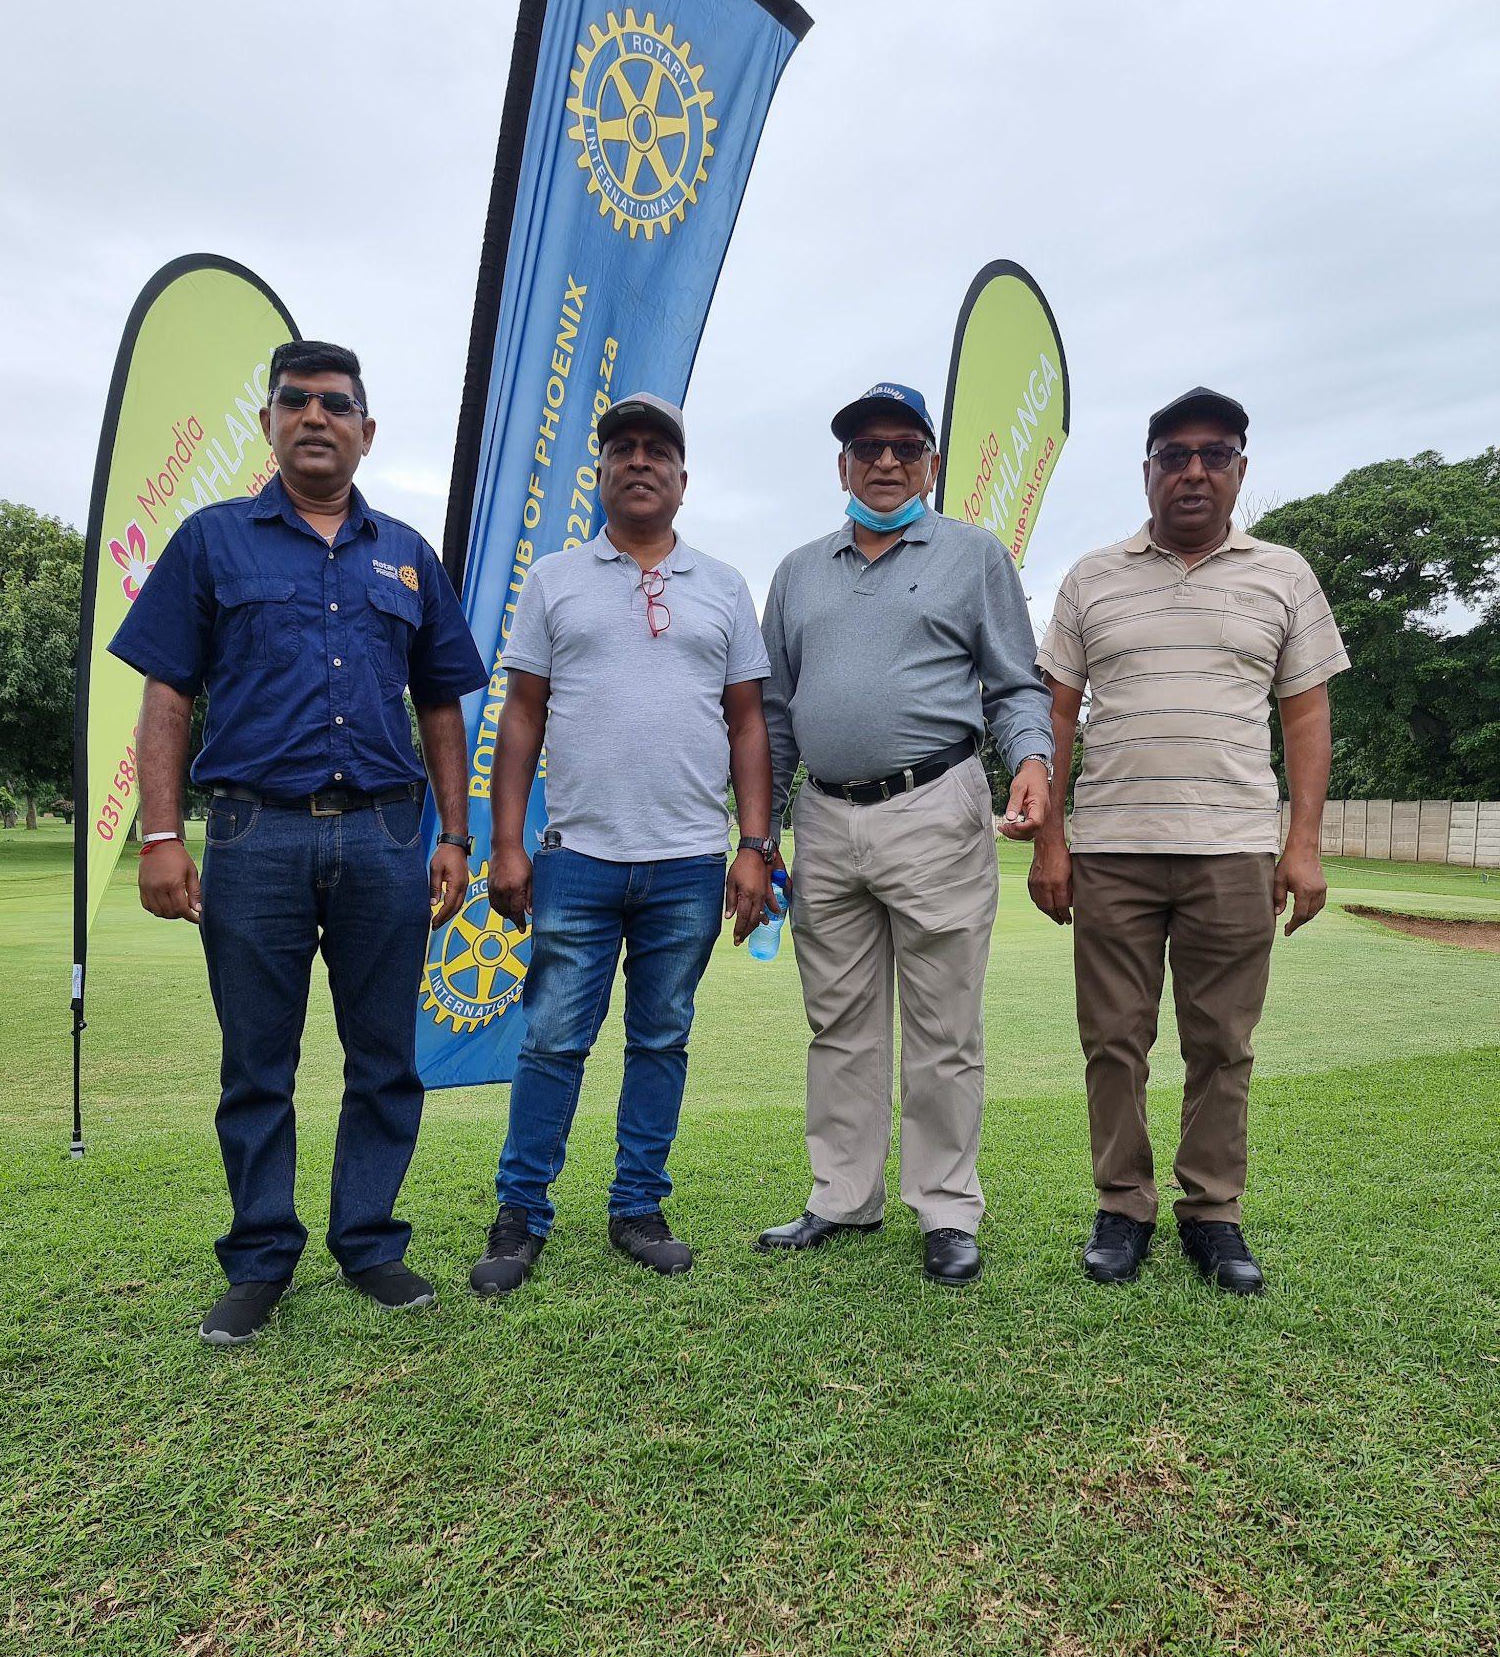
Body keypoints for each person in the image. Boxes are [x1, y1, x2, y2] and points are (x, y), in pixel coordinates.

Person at [110, 340, 487, 1345]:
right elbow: (165, 695)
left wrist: (456, 833)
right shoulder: (211, 543)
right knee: (256, 1063)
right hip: (252, 834)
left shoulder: (407, 551)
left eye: (337, 403)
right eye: (296, 400)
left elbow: (442, 701)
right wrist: (159, 833)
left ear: (367, 429)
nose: (316, 416)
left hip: (384, 836)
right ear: (269, 422)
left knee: (385, 1058)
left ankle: (368, 1244)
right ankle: (261, 1258)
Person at [1030, 387, 1350, 1296]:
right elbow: (1053, 714)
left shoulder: (1283, 575)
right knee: (1113, 1040)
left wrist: (1305, 842)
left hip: (1235, 847)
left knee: (1222, 1044)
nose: (1195, 471)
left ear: (1241, 469)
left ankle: (1212, 1213)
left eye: (1215, 454)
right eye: (1175, 455)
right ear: (1148, 473)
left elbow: (1307, 715)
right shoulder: (1092, 577)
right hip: (1112, 849)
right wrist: (1052, 843)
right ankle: (1121, 1207)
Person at [468, 392, 776, 1295]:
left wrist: (753, 846)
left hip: (687, 861)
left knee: (661, 1039)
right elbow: (520, 719)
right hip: (577, 857)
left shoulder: (722, 587)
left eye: (658, 451)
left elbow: (749, 726)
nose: (639, 462)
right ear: (597, 474)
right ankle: (521, 1212)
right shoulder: (555, 578)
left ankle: (637, 1205)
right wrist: (508, 843)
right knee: (553, 1041)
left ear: (684, 479)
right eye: (622, 449)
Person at [757, 383, 1053, 1286]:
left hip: (936, 802)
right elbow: (773, 711)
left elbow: (1014, 683)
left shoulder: (974, 557)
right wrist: (761, 832)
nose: (885, 461)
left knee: (943, 1024)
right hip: (825, 814)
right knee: (838, 1021)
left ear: (930, 463)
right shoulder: (799, 570)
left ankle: (946, 1208)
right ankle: (842, 1197)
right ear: (841, 465)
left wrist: (1033, 759)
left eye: (904, 447)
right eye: (866, 447)